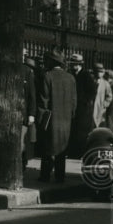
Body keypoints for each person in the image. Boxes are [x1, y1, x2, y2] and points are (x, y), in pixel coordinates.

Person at [38, 48, 78, 183]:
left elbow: (44, 100)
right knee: (62, 148)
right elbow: (74, 101)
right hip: (66, 119)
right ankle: (60, 176)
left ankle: (45, 175)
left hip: (51, 118)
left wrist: (41, 118)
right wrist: (71, 115)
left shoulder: (47, 76)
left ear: (51, 61)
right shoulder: (71, 78)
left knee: (48, 147)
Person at [68, 53, 97, 157]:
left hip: (83, 110)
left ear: (79, 64)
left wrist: (84, 101)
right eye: (71, 64)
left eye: (74, 64)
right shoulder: (71, 75)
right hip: (74, 108)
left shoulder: (86, 75)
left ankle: (80, 152)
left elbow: (92, 92)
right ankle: (73, 152)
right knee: (74, 131)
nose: (72, 66)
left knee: (81, 132)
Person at [91, 62, 113, 128]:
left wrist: (104, 104)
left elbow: (109, 96)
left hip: (100, 107)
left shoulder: (105, 83)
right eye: (97, 71)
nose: (99, 73)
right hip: (91, 107)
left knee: (99, 123)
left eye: (101, 72)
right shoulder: (91, 81)